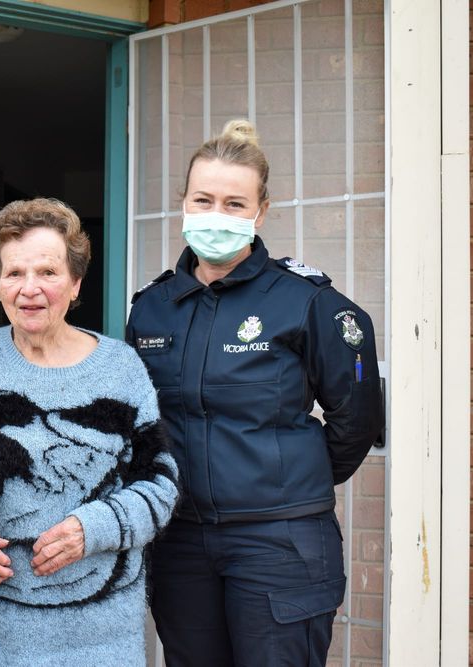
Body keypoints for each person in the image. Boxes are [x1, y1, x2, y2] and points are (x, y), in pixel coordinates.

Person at [127, 120, 384, 666]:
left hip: (280, 542)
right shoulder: (151, 308)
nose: (216, 215)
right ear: (183, 203)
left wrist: (286, 478)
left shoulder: (306, 302)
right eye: (203, 200)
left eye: (235, 204)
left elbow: (356, 421)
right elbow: (142, 423)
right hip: (181, 543)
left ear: (260, 212)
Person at [0, 198, 179, 666]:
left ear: (75, 283)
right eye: (14, 273)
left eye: (48, 272)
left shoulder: (121, 369)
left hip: (96, 645)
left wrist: (94, 528)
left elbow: (159, 485)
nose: (29, 289)